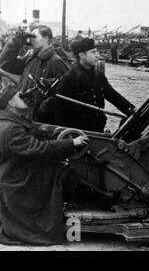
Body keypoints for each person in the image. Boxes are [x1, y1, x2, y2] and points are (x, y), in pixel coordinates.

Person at [0, 84, 90, 245]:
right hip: (16, 182)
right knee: (58, 171)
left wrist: (41, 130)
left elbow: (28, 133)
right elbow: (39, 148)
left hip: (12, 173)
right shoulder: (11, 128)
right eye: (19, 96)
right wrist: (71, 143)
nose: (24, 98)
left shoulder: (8, 121)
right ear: (11, 104)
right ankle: (102, 199)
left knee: (54, 168)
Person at [55, 38, 135, 132]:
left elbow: (113, 96)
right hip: (79, 134)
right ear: (82, 55)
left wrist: (132, 111)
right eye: (93, 52)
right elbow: (60, 113)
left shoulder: (98, 75)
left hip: (97, 130)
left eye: (97, 52)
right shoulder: (69, 78)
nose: (97, 56)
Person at [0, 26, 68, 121]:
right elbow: (5, 64)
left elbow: (64, 95)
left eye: (34, 37)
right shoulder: (32, 58)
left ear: (46, 39)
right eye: (30, 37)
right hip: (25, 114)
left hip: (39, 119)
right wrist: (16, 42)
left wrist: (41, 109)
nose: (31, 40)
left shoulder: (56, 62)